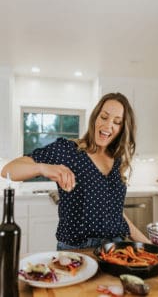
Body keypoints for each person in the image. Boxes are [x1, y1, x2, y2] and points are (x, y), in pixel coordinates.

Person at [1, 92, 150, 250]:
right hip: (77, 250)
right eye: (104, 117)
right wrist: (43, 168)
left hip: (116, 248)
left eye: (117, 122)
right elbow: (8, 170)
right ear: (95, 118)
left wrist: (149, 245)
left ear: (122, 129)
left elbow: (115, 213)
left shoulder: (118, 160)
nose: (108, 126)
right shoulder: (68, 150)